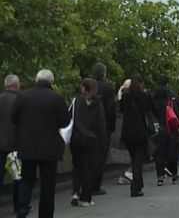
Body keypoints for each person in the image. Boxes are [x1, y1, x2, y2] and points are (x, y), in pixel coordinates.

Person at [11, 69, 70, 218]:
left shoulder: (23, 96)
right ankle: (45, 214)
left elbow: (13, 118)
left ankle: (22, 210)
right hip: (49, 149)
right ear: (51, 82)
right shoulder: (57, 98)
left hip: (27, 147)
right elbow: (65, 122)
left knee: (26, 181)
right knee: (47, 186)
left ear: (36, 80)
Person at [70, 78, 107, 207]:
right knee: (88, 168)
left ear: (83, 88)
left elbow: (69, 117)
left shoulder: (76, 101)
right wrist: (103, 142)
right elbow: (101, 125)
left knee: (77, 166)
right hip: (91, 140)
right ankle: (86, 197)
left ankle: (75, 192)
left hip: (76, 139)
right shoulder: (98, 104)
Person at [121, 74, 154, 197]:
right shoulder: (145, 96)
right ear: (141, 83)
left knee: (134, 158)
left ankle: (137, 185)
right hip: (141, 132)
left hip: (128, 132)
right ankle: (136, 187)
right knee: (138, 161)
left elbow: (121, 110)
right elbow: (151, 109)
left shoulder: (125, 97)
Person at [152, 75, 179, 185]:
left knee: (159, 153)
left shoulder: (154, 95)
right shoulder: (171, 95)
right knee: (172, 151)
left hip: (158, 127)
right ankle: (174, 175)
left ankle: (160, 177)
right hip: (170, 127)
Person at [92, 62, 116, 196]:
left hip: (86, 127)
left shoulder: (87, 86)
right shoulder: (107, 88)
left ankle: (84, 184)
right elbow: (111, 109)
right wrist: (111, 127)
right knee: (100, 157)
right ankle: (96, 185)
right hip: (102, 127)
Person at [0, 74, 21, 212]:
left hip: (0, 146)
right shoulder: (20, 100)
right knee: (18, 178)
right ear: (16, 85)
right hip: (15, 146)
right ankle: (18, 206)